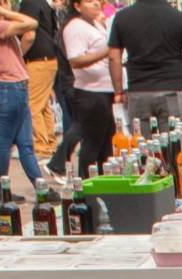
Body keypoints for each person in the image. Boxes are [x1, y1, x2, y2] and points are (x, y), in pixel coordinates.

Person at [0, 0, 44, 188]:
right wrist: (5, 13)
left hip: (15, 87)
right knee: (4, 145)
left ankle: (39, 187)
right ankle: (0, 190)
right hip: (9, 88)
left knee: (25, 145)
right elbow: (32, 24)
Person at [106, 0, 182, 132]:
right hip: (172, 90)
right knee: (173, 144)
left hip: (138, 91)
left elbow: (113, 58)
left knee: (142, 146)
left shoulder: (122, 17)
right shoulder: (180, 18)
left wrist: (118, 91)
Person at [51, 0, 114, 175]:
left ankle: (102, 183)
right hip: (89, 91)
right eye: (89, 1)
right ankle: (86, 187)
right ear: (78, 6)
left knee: (105, 142)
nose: (96, 4)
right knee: (92, 144)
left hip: (103, 90)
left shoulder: (95, 24)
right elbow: (75, 60)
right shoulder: (75, 27)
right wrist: (107, 51)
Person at [17, 0, 61, 158]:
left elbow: (29, 34)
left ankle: (41, 145)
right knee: (43, 105)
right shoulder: (43, 4)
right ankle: (49, 141)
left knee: (32, 104)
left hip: (37, 59)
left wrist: (18, 56)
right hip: (49, 58)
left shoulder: (29, 3)